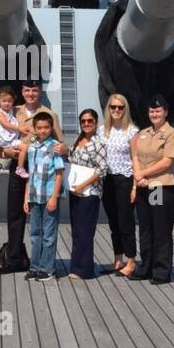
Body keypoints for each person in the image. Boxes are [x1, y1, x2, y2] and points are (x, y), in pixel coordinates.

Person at [0, 82, 67, 274]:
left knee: (41, 219)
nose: (31, 93)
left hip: (42, 170)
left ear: (40, 91)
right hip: (19, 166)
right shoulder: (12, 110)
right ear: (22, 92)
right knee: (15, 213)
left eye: (34, 90)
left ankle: (42, 263)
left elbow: (61, 145)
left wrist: (65, 150)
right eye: (27, 90)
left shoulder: (49, 114)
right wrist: (6, 152)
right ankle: (14, 257)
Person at [129, 93, 174, 284]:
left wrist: (143, 174)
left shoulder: (171, 134)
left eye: (158, 110)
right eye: (152, 110)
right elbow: (135, 155)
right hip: (143, 186)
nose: (154, 113)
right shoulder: (143, 134)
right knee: (145, 228)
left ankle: (161, 271)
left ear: (165, 112)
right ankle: (146, 267)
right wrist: (138, 175)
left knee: (160, 229)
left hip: (159, 186)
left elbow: (167, 161)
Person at [98, 92, 139, 276]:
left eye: (120, 107)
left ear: (125, 109)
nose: (116, 110)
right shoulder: (101, 130)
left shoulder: (132, 131)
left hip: (125, 179)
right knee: (114, 222)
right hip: (107, 180)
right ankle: (118, 259)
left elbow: (137, 160)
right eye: (112, 107)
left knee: (126, 222)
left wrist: (135, 186)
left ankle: (131, 261)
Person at [23, 110, 66, 281]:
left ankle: (48, 268)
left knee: (48, 235)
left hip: (49, 197)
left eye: (46, 127)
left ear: (51, 128)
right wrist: (26, 197)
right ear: (34, 128)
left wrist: (54, 197)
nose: (42, 131)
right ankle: (34, 267)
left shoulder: (54, 146)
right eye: (39, 128)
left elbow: (59, 174)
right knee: (35, 234)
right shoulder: (32, 147)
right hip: (34, 196)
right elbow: (30, 174)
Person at [67, 108, 107, 279]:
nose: (86, 124)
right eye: (83, 121)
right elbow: (73, 160)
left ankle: (85, 270)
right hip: (75, 192)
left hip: (89, 192)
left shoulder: (99, 143)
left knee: (85, 231)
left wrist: (83, 184)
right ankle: (76, 266)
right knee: (76, 230)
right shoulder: (79, 139)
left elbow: (102, 169)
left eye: (90, 121)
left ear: (96, 122)